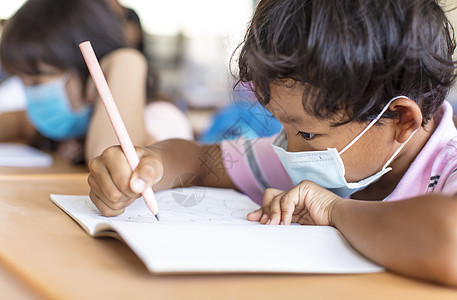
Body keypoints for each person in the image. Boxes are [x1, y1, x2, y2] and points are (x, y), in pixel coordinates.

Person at [87, 0, 457, 286]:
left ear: (403, 120)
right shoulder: (307, 151)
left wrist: (333, 211)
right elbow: (200, 161)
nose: (288, 152)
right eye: (283, 126)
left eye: (307, 133)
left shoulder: (449, 165)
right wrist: (150, 164)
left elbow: (448, 242)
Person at [0, 0, 192, 164]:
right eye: (23, 82)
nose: (31, 95)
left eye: (36, 82)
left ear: (89, 69)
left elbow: (112, 161)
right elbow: (18, 122)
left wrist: (127, 61)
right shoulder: (75, 122)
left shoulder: (163, 119)